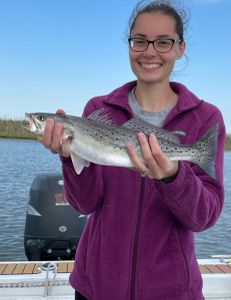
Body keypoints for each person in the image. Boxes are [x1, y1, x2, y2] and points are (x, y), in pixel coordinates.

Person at [39, 1, 226, 299]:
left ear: (180, 48)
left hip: (172, 293)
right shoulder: (98, 109)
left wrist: (173, 176)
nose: (149, 51)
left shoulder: (205, 118)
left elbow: (203, 217)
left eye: (163, 42)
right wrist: (68, 152)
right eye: (139, 41)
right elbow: (84, 204)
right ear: (129, 46)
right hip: (95, 290)